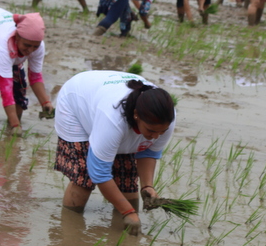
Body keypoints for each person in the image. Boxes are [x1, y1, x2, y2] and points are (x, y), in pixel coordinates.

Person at [54, 70, 176, 236]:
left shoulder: (165, 119)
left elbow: (148, 152)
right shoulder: (112, 119)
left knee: (128, 181)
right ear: (136, 116)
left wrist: (147, 186)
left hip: (107, 103)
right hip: (76, 103)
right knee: (84, 178)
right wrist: (128, 212)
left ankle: (124, 239)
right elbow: (99, 173)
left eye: (161, 132)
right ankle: (70, 232)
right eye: (151, 130)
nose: (156, 136)